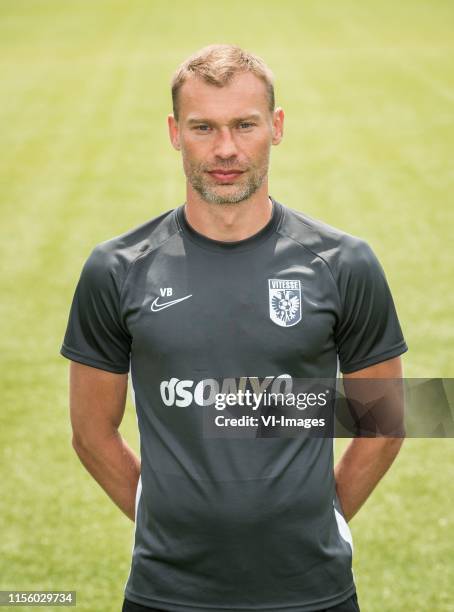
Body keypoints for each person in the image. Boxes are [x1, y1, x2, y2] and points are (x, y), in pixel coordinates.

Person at [60, 44, 408, 612]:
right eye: (204, 127)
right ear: (175, 132)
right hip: (166, 591)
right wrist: (167, 518)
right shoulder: (116, 268)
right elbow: (91, 433)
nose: (226, 149)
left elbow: (385, 421)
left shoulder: (344, 264)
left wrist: (323, 516)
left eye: (245, 125)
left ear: (276, 127)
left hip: (312, 590)